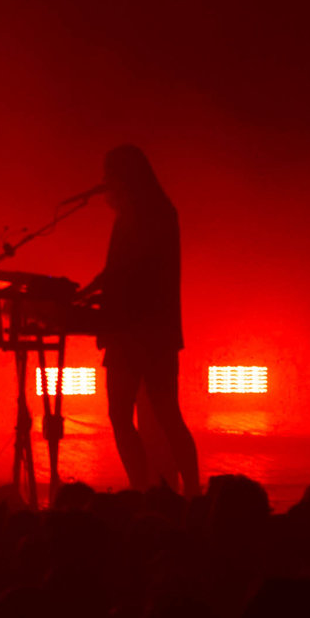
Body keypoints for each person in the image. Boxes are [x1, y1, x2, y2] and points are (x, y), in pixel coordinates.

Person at [81, 143, 200, 494]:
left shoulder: (145, 214)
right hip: (151, 331)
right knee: (164, 414)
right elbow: (117, 272)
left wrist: (87, 296)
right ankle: (187, 491)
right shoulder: (154, 211)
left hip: (137, 330)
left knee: (129, 415)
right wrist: (89, 292)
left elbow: (127, 273)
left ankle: (148, 490)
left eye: (110, 174)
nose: (105, 181)